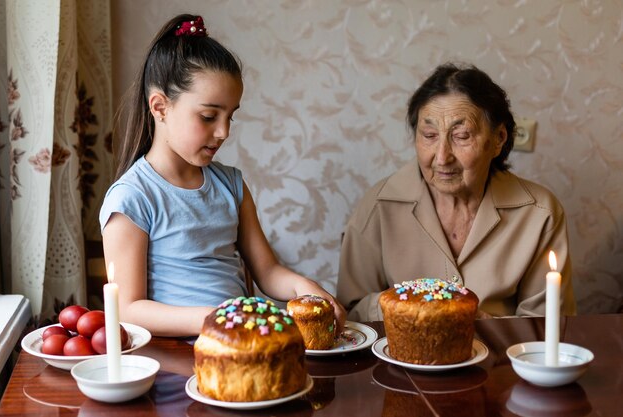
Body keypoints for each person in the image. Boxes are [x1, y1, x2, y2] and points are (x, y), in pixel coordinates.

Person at [100, 14, 345, 337]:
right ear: (160, 108)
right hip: (174, 357)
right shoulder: (132, 197)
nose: (223, 132)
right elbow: (129, 310)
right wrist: (220, 315)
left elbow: (268, 271)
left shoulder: (230, 185)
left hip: (241, 342)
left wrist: (305, 287)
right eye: (208, 116)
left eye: (231, 116)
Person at [337, 62, 576, 322]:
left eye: (461, 136)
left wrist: (484, 326)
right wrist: (405, 307)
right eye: (429, 135)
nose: (441, 157)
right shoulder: (379, 205)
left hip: (501, 359)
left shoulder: (539, 213)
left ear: (498, 139)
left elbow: (549, 325)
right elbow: (350, 313)